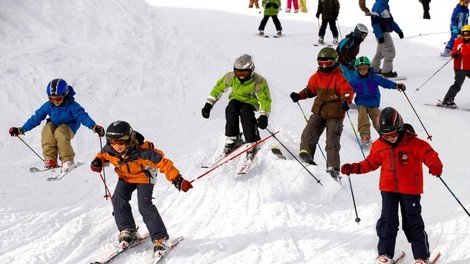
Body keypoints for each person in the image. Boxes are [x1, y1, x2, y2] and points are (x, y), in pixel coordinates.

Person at [341, 107, 443, 264]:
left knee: (413, 223)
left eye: (393, 134)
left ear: (400, 128)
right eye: (385, 135)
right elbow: (370, 163)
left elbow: (429, 153)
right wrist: (354, 168)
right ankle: (385, 254)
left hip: (410, 190)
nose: (390, 138)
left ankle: (422, 257)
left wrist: (434, 164)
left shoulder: (414, 143)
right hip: (388, 190)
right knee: (387, 221)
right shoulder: (379, 145)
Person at [90, 121, 193, 255]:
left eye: (120, 143)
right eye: (112, 143)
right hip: (125, 178)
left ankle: (160, 238)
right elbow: (102, 156)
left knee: (144, 205)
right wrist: (97, 162)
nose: (117, 146)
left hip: (144, 177)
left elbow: (164, 163)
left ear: (129, 139)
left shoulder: (143, 151)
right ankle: (128, 230)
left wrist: (177, 180)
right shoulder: (110, 149)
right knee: (118, 199)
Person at [9, 78, 104, 172]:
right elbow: (36, 118)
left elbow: (83, 116)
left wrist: (94, 126)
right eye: (51, 98)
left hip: (69, 126)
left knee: (60, 132)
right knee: (47, 129)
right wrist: (22, 129)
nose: (55, 101)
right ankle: (50, 160)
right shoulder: (49, 105)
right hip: (55, 123)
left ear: (65, 95)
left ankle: (67, 160)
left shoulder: (73, 106)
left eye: (58, 98)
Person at [289, 47, 354, 180]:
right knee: (308, 133)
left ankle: (333, 169)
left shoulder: (338, 77)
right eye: (321, 63)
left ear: (334, 62)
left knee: (332, 141)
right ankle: (306, 157)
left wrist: (346, 101)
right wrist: (299, 95)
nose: (324, 66)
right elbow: (310, 90)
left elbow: (347, 91)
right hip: (319, 111)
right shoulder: (316, 77)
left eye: (328, 63)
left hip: (335, 114)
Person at [201, 54, 272, 157]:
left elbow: (265, 99)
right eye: (238, 72)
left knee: (246, 112)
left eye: (244, 72)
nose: (241, 76)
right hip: (236, 98)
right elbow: (218, 89)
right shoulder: (231, 77)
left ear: (251, 71)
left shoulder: (259, 81)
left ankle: (252, 140)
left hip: (251, 102)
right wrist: (208, 105)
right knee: (231, 108)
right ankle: (233, 137)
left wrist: (264, 116)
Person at [349, 56, 406, 147]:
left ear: (368, 68)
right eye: (360, 69)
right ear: (357, 69)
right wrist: (345, 99)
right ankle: (365, 136)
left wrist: (396, 86)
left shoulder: (374, 78)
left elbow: (385, 83)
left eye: (365, 68)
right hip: (361, 102)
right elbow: (349, 91)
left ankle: (384, 134)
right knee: (362, 117)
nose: (363, 71)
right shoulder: (355, 81)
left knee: (377, 119)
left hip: (373, 102)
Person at [370, 0, 404, 78]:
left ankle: (374, 69)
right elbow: (375, 23)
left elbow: (390, 21)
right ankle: (386, 71)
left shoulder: (383, 5)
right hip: (382, 33)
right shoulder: (378, 6)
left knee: (381, 52)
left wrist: (399, 31)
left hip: (382, 33)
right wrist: (379, 35)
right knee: (390, 52)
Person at [441, 25, 470, 107]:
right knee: (458, 84)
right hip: (460, 68)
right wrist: (455, 54)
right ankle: (447, 100)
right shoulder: (459, 42)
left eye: (469, 34)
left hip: (468, 67)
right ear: (462, 34)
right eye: (465, 34)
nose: (467, 36)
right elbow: (453, 52)